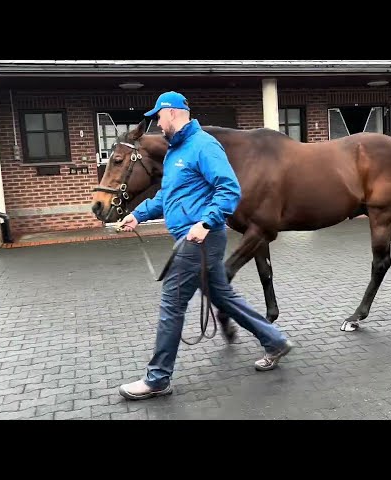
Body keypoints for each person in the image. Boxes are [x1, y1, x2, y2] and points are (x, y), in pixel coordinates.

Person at [117, 91, 293, 400]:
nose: (157, 122)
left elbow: (228, 189)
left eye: (159, 116)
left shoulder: (204, 146)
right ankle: (275, 340)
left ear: (172, 113)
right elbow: (167, 196)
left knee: (172, 304)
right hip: (195, 237)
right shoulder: (175, 151)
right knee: (223, 296)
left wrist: (206, 222)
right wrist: (138, 215)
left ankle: (157, 378)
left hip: (199, 239)